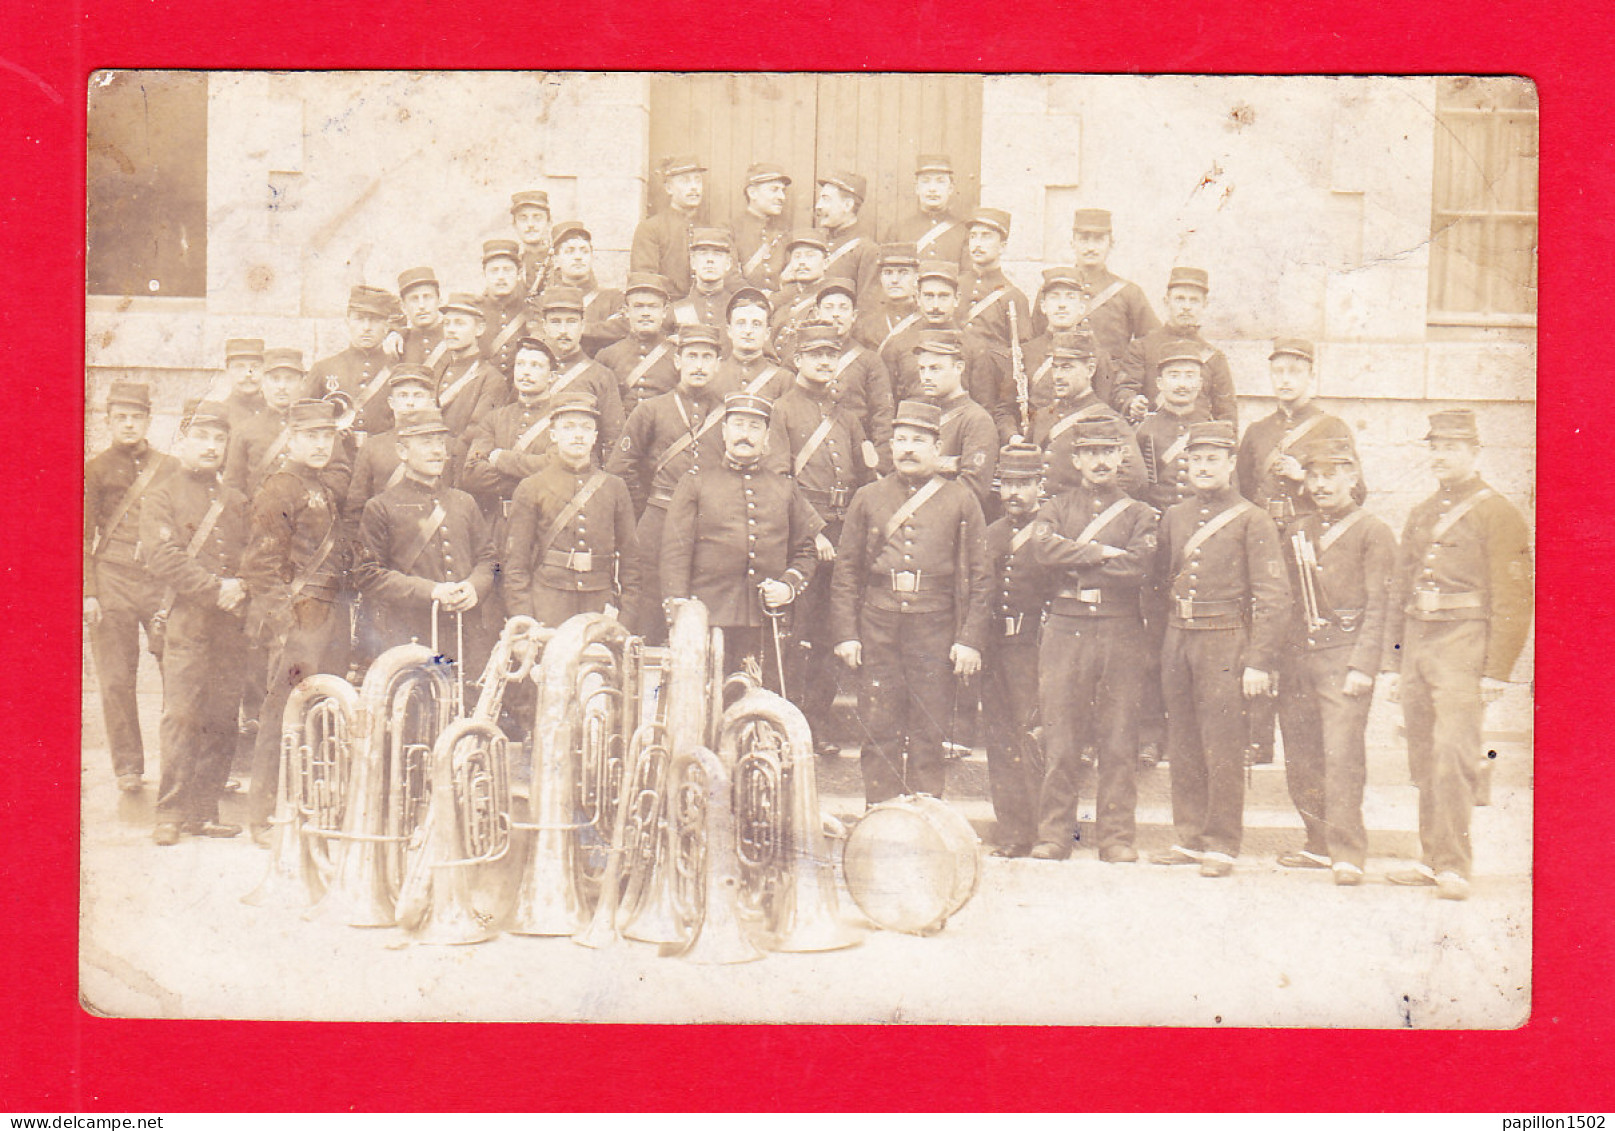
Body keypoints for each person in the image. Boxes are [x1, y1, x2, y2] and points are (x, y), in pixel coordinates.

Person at [1384, 410, 1533, 901]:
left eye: (1451, 446)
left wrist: (1497, 670)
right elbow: (1399, 589)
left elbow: (1513, 597)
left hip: (1465, 644)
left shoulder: (1499, 513)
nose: (1440, 455)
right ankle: (1430, 859)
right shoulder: (1423, 512)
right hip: (1419, 641)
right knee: (1424, 753)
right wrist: (1394, 660)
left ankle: (1454, 865)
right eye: (1435, 447)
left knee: (1453, 753)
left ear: (1474, 452)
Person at [830, 400, 990, 804]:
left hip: (934, 623)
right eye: (900, 439)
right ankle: (879, 812)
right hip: (878, 621)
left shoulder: (961, 499)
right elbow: (846, 570)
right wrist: (847, 633)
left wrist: (969, 638)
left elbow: (981, 575)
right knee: (878, 723)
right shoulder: (868, 497)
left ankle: (925, 818)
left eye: (918, 440)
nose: (907, 448)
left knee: (928, 726)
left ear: (937, 448)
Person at [1150, 421, 1289, 878]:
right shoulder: (1175, 517)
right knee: (1184, 740)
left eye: (1214, 459)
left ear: (1231, 463)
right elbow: (1159, 585)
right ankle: (1189, 836)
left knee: (1223, 745)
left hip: (1226, 640)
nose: (1203, 467)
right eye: (1197, 459)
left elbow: (1273, 595)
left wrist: (1260, 661)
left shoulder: (1254, 519)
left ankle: (1223, 843)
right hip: (1179, 637)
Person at [1030, 420, 1158, 862]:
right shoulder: (1057, 507)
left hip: (1120, 626)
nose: (1101, 460)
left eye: (1110, 451)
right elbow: (1043, 552)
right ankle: (1054, 835)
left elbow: (1141, 565)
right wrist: (1104, 553)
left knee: (1119, 738)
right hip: (1065, 627)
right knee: (1060, 737)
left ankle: (1116, 838)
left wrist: (1075, 557)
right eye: (1091, 452)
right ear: (1077, 460)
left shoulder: (1140, 513)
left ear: (1122, 457)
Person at [1273, 437, 1398, 886]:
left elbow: (1382, 604)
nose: (1322, 485)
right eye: (1315, 476)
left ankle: (1348, 852)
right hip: (1299, 656)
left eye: (1332, 475)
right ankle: (1318, 843)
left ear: (1353, 478)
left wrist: (1365, 665)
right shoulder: (1296, 529)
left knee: (1341, 756)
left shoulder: (1373, 531)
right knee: (1302, 755)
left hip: (1345, 657)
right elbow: (1283, 600)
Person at [1235, 337, 1360, 766]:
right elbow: (1241, 493)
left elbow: (1358, 492)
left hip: (1310, 548)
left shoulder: (1332, 428)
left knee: (1301, 634)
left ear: (1311, 376)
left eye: (1294, 372)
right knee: (1262, 629)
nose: (1285, 380)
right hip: (1264, 544)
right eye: (1278, 372)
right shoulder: (1257, 433)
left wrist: (1303, 479)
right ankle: (1257, 738)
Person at [241, 398, 353, 842]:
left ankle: (308, 807)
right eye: (310, 435)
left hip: (329, 615)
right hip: (298, 620)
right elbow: (260, 564)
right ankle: (265, 816)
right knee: (281, 715)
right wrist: (285, 624)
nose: (320, 444)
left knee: (321, 711)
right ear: (291, 436)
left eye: (327, 436)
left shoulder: (322, 485)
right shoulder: (281, 487)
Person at [141, 400, 251, 845]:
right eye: (201, 437)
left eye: (218, 439)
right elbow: (162, 557)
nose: (210, 447)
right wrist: (216, 589)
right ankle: (169, 813)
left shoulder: (236, 500)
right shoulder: (161, 495)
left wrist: (242, 583)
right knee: (182, 716)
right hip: (187, 619)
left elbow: (255, 554)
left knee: (223, 717)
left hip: (231, 624)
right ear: (182, 440)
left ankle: (203, 812)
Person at [662, 392, 822, 688]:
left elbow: (806, 551)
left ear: (767, 437)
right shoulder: (695, 483)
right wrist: (680, 614)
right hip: (709, 618)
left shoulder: (785, 488)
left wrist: (788, 586)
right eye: (738, 425)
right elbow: (676, 553)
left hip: (766, 620)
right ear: (724, 432)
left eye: (754, 427)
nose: (745, 435)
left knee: (763, 702)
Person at [766, 323, 875, 751]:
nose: (825, 362)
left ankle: (819, 720)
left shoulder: (845, 415)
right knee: (800, 632)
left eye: (831, 355)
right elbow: (779, 476)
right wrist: (815, 531)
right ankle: (792, 721)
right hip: (804, 533)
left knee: (833, 631)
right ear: (798, 360)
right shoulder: (781, 410)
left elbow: (866, 474)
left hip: (845, 529)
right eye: (815, 355)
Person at [605, 324, 729, 641]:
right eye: (691, 356)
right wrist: (648, 504)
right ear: (677, 361)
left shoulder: (729, 414)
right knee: (650, 608)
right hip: (658, 521)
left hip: (711, 524)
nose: (699, 365)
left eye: (707, 357)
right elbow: (621, 466)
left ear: (718, 363)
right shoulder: (652, 409)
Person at [355, 406, 499, 677]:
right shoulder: (381, 507)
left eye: (439, 443)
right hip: (410, 633)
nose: (436, 451)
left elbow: (488, 559)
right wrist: (431, 591)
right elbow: (368, 574)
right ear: (402, 451)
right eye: (425, 442)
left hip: (465, 633)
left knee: (466, 707)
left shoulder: (464, 502)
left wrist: (474, 587)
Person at [84, 381, 176, 792]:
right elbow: (80, 534)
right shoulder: (95, 470)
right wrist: (88, 591)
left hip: (159, 580)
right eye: (120, 417)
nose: (128, 424)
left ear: (148, 419)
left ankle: (178, 760)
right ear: (107, 421)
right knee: (117, 677)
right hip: (113, 580)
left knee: (176, 668)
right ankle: (128, 768)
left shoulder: (169, 466)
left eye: (135, 416)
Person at [1132, 338, 1215, 767]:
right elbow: (1136, 490)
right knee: (1152, 642)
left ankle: (1190, 732)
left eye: (1190, 376)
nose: (1182, 384)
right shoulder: (1146, 432)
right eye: (1174, 376)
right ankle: (1150, 732)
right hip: (1158, 552)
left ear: (1202, 382)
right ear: (1159, 382)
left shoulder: (1216, 430)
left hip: (1199, 551)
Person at [504, 392, 640, 627]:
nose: (578, 435)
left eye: (586, 428)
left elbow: (631, 561)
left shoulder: (614, 487)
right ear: (554, 435)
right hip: (548, 602)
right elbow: (516, 565)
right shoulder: (531, 487)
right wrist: (525, 618)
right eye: (568, 427)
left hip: (600, 602)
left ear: (595, 436)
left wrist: (625, 618)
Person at [978, 443, 1050, 857]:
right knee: (1001, 739)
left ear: (1039, 486)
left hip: (1034, 650)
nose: (1015, 493)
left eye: (1024, 483)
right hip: (996, 650)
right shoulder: (991, 533)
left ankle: (1047, 830)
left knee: (1035, 737)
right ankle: (1012, 831)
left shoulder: (1050, 531)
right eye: (1008, 484)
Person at [458, 336, 564, 525]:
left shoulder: (562, 420)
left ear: (552, 376)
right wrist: (533, 474)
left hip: (544, 522)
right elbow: (472, 475)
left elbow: (558, 470)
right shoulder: (495, 418)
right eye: (520, 364)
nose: (525, 372)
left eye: (535, 366)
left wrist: (501, 459)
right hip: (499, 525)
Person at [1039, 207, 1159, 371]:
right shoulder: (1052, 291)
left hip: (1112, 385)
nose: (1090, 247)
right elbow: (1037, 339)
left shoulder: (1128, 293)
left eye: (1098, 240)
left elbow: (1152, 343)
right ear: (1072, 243)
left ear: (1111, 244)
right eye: (1084, 239)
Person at [1118, 266, 1239, 426]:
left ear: (1205, 304)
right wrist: (1133, 403)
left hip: (1197, 443)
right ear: (1166, 302)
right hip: (1153, 442)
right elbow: (1123, 390)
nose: (1186, 306)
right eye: (1180, 299)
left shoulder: (1214, 357)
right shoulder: (1142, 348)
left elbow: (1226, 412)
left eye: (1194, 300)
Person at [1033, 331, 1144, 499]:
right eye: (1055, 367)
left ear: (1090, 369)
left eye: (1067, 367)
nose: (1058, 376)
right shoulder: (1042, 416)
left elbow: (1134, 479)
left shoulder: (1110, 420)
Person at [813, 279, 895, 470]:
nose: (835, 314)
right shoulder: (799, 358)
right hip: (814, 453)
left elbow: (882, 415)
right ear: (817, 313)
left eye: (843, 308)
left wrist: (880, 465)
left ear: (854, 316)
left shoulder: (869, 360)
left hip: (856, 454)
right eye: (828, 307)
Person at [533, 286, 626, 453]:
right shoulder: (529, 369)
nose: (563, 330)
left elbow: (613, 440)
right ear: (544, 326)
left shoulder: (601, 376)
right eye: (555, 322)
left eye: (571, 322)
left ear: (582, 325)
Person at [913, 328, 999, 506]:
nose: (926, 377)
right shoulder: (917, 412)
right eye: (922, 369)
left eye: (935, 368)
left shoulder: (976, 419)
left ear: (959, 367)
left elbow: (972, 489)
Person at [344, 366, 436, 520]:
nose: (410, 403)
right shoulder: (372, 447)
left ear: (431, 402)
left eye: (418, 395)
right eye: (403, 395)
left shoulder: (447, 446)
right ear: (391, 402)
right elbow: (355, 508)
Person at [307, 284, 399, 435]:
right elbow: (306, 421)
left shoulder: (396, 370)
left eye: (375, 320)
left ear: (387, 325)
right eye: (360, 319)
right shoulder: (323, 369)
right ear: (348, 322)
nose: (366, 327)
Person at [596, 272, 679, 412]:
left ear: (664, 312)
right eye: (639, 306)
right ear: (626, 311)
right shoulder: (607, 356)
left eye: (653, 306)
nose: (645, 313)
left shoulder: (678, 355)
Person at [631, 154, 706, 299]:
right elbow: (645, 280)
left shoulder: (709, 229)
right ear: (669, 188)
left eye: (698, 180)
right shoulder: (650, 228)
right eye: (685, 181)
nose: (694, 187)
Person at [547, 219, 626, 355]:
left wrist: (578, 330)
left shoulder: (613, 298)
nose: (578, 257)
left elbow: (623, 327)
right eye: (570, 251)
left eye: (584, 251)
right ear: (556, 260)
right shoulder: (543, 300)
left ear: (592, 256)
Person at [958, 208, 1032, 351]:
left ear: (1002, 247)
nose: (977, 244)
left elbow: (1022, 350)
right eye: (973, 236)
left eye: (986, 236)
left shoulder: (1014, 297)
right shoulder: (955, 286)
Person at [431, 294, 503, 438]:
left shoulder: (491, 379)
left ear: (479, 329)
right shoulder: (439, 370)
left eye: (459, 323)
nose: (450, 330)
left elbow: (477, 434)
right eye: (446, 323)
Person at [888, 154, 968, 266]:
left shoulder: (964, 231)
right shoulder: (898, 231)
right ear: (917, 188)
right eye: (926, 181)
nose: (932, 189)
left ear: (950, 188)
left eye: (940, 181)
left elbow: (966, 275)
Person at [816, 171, 879, 303]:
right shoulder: (816, 241)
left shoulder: (867, 250)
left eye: (826, 199)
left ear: (847, 205)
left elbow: (865, 304)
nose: (818, 206)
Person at [717, 288, 792, 400]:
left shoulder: (784, 379)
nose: (748, 331)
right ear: (729, 330)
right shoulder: (713, 374)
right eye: (741, 323)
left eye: (756, 324)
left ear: (767, 333)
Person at [732, 162, 793, 294]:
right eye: (774, 189)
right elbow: (729, 278)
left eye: (783, 191)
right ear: (753, 193)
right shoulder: (731, 229)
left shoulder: (784, 231)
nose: (782, 197)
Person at [770, 229, 832, 357]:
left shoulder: (830, 301)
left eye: (810, 255)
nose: (802, 261)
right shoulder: (784, 297)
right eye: (797, 256)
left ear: (825, 263)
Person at [477, 238, 534, 378]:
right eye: (494, 271)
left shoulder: (532, 308)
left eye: (507, 270)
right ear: (484, 274)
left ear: (519, 273)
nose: (501, 277)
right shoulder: (475, 312)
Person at [852, 242, 921, 355]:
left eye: (903, 272)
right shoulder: (866, 324)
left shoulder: (924, 320)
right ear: (880, 278)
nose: (894, 280)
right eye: (888, 273)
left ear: (916, 277)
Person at [669, 227, 736, 330]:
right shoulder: (675, 310)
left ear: (728, 263)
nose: (710, 260)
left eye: (717, 254)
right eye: (703, 254)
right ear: (693, 262)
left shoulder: (738, 308)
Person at [395, 267, 449, 372]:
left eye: (427, 297)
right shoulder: (399, 344)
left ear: (439, 301)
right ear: (403, 307)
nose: (421, 305)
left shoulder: (455, 335)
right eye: (414, 299)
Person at [218, 338, 271, 433]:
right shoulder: (219, 415)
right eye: (239, 367)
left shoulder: (276, 412)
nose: (248, 374)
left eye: (255, 366)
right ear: (227, 371)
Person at [509, 189, 552, 297]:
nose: (530, 224)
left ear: (548, 223)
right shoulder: (509, 264)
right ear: (515, 225)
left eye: (537, 218)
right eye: (523, 219)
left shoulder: (559, 262)